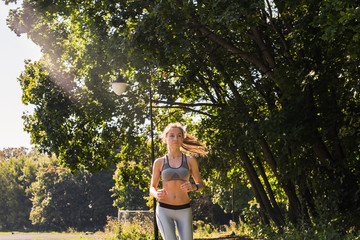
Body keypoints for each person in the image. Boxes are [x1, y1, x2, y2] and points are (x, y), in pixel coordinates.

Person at [150, 122, 208, 240]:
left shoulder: (190, 160)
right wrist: (157, 194)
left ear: (182, 139)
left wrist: (194, 187)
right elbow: (152, 188)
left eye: (179, 135)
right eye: (171, 135)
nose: (175, 138)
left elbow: (200, 185)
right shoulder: (159, 162)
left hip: (184, 210)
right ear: (165, 139)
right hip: (164, 210)